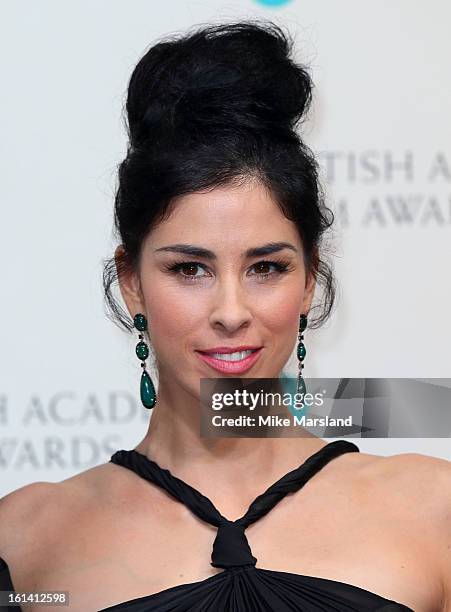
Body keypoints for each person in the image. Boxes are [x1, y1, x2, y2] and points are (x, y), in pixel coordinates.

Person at [0, 20, 450, 612]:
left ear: (311, 278)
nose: (231, 312)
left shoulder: (434, 508)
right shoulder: (27, 539)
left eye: (266, 268)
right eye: (190, 269)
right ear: (131, 281)